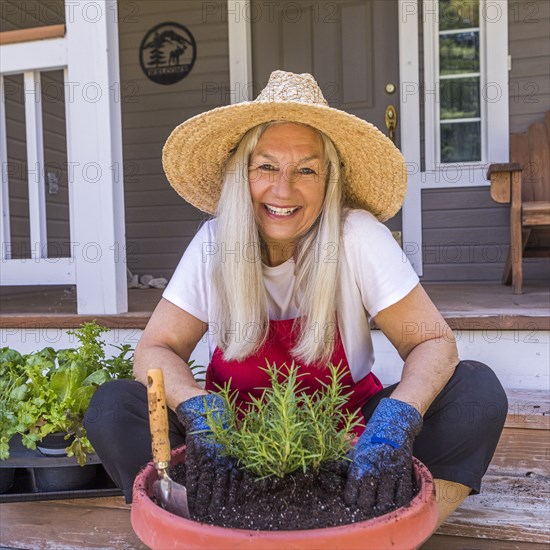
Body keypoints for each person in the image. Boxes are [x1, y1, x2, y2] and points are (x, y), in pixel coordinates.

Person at [85, 71, 507, 530]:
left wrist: (395, 420)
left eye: (306, 169)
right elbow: (155, 349)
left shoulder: (357, 235)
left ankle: (394, 527)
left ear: (329, 181)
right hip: (235, 449)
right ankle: (201, 519)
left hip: (349, 444)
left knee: (476, 392)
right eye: (266, 166)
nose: (283, 189)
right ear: (241, 174)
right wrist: (200, 411)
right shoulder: (214, 242)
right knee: (113, 407)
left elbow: (433, 343)